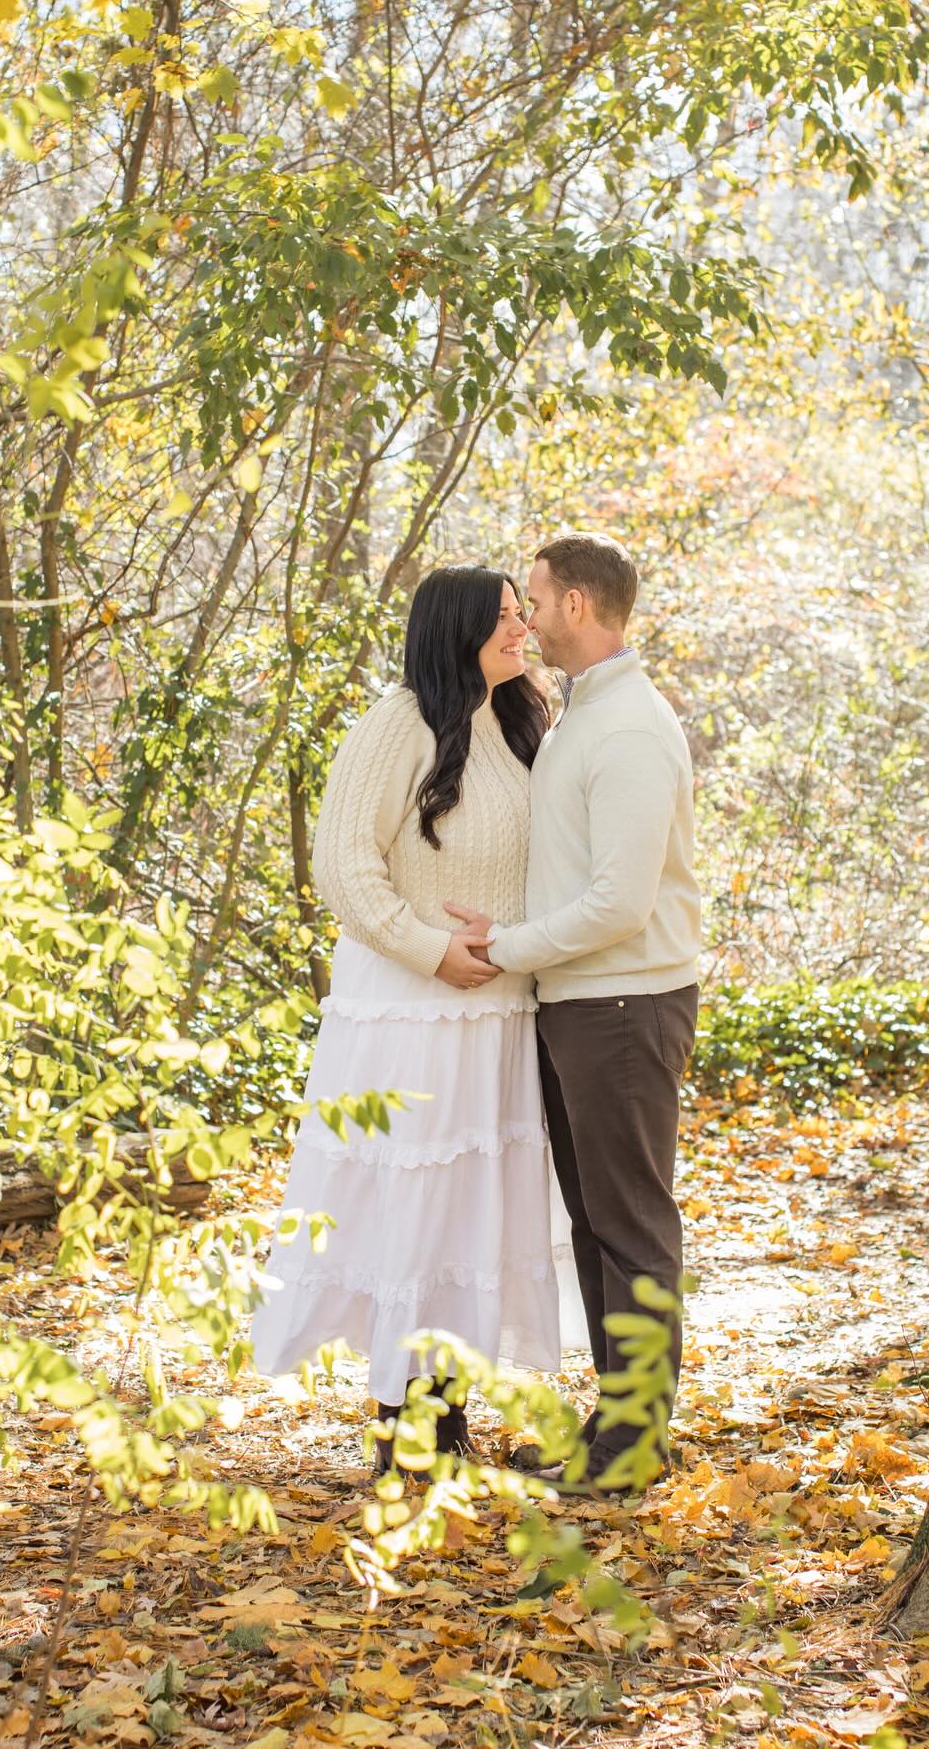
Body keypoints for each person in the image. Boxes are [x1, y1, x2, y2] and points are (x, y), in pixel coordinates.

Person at [250, 566, 564, 1467]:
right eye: (503, 617)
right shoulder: (400, 723)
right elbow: (343, 866)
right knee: (416, 1208)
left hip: (500, 1014)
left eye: (522, 612)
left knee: (473, 1214)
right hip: (412, 1015)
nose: (522, 628)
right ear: (455, 628)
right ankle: (402, 1425)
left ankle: (448, 1409)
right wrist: (428, 949)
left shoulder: (522, 724)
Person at [445, 532, 702, 1488]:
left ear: (580, 608)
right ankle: (618, 1429)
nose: (528, 617)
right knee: (598, 1224)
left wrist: (506, 947)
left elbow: (619, 904)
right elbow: (571, 874)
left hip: (625, 1005)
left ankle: (634, 1446)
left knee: (629, 1224)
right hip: (582, 1003)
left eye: (538, 601)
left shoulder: (629, 726)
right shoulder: (580, 718)